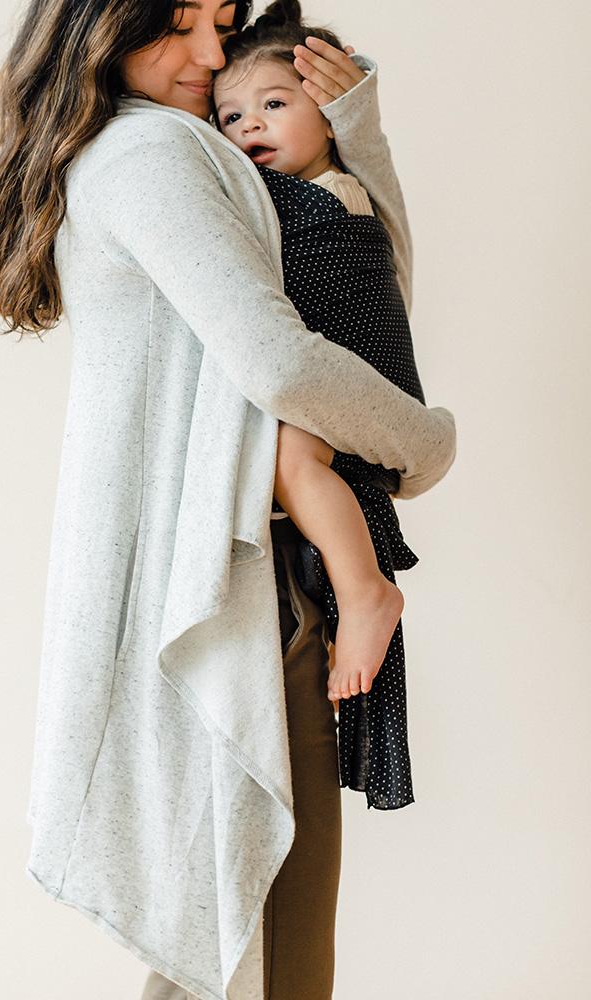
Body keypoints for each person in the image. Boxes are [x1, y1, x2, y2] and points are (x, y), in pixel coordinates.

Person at [0, 1, 457, 998]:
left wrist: (353, 130)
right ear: (103, 22)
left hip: (240, 570)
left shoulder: (179, 149)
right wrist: (426, 443)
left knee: (230, 935)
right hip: (236, 584)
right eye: (179, 22)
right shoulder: (152, 156)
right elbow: (283, 364)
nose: (210, 54)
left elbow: (363, 288)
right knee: (263, 944)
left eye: (222, 21)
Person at [210, 0, 426, 812]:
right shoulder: (300, 186)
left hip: (352, 353)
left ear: (329, 120)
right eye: (230, 116)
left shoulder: (326, 195)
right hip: (348, 359)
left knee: (295, 459)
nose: (249, 127)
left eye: (275, 104)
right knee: (296, 461)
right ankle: (357, 585)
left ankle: (365, 588)